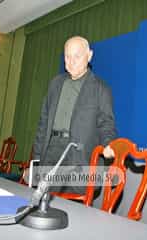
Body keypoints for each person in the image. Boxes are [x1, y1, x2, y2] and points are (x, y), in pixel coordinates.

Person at [33, 36, 116, 194]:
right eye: (67, 56)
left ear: (89, 55)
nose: (71, 61)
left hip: (78, 155)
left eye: (77, 56)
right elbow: (43, 121)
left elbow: (107, 123)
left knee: (70, 207)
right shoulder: (55, 84)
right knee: (44, 200)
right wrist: (37, 157)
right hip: (51, 150)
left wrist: (108, 143)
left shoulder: (100, 88)